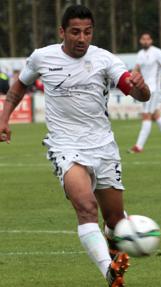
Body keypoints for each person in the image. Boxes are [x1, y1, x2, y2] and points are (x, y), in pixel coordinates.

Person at [0, 5, 150, 287]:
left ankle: (113, 240)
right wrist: (4, 118)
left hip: (103, 147)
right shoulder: (42, 58)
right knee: (85, 206)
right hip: (65, 145)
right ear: (62, 32)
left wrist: (141, 88)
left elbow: (137, 92)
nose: (82, 38)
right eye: (75, 32)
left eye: (88, 32)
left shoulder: (105, 59)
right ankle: (109, 271)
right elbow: (19, 87)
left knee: (116, 219)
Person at [129, 32, 161, 153]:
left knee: (146, 115)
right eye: (143, 39)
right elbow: (136, 69)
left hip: (154, 90)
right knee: (156, 116)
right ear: (140, 41)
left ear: (151, 41)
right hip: (144, 89)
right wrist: (129, 80)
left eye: (148, 39)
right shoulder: (141, 54)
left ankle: (138, 146)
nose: (145, 41)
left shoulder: (157, 52)